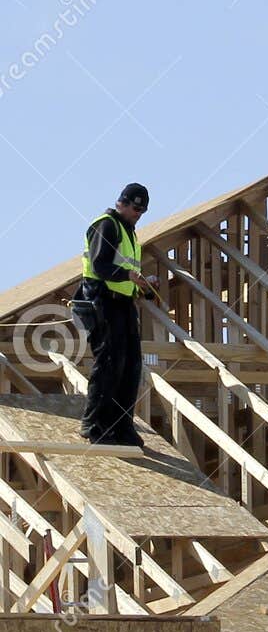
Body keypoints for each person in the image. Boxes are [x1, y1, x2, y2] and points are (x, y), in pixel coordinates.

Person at [76, 183, 159, 447]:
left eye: (142, 211)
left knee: (132, 365)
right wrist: (127, 275)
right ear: (122, 202)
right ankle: (94, 424)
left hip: (122, 302)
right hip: (102, 300)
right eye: (135, 208)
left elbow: (125, 274)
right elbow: (100, 266)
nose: (138, 214)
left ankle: (121, 425)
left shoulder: (130, 233)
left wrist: (142, 288)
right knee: (110, 362)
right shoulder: (107, 225)